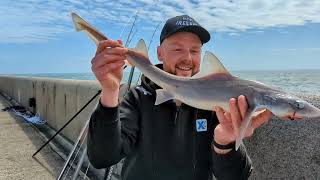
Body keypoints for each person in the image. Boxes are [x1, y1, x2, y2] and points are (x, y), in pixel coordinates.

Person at [87, 15, 273, 180]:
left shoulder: (216, 106)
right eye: (177, 49)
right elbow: (102, 157)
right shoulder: (138, 98)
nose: (187, 58)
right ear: (159, 53)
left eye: (195, 51)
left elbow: (236, 176)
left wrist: (225, 143)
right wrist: (110, 92)